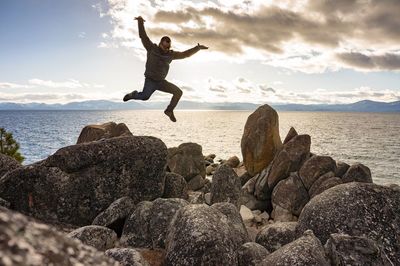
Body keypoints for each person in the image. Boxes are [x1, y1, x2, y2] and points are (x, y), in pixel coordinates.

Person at [123, 16, 208, 122]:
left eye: (168, 47)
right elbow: (143, 36)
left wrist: (197, 48)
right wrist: (140, 22)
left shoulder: (171, 55)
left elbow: (185, 54)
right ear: (160, 44)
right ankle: (133, 95)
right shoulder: (151, 48)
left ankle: (169, 111)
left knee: (178, 92)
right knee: (145, 97)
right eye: (164, 47)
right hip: (150, 80)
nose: (166, 49)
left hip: (161, 82)